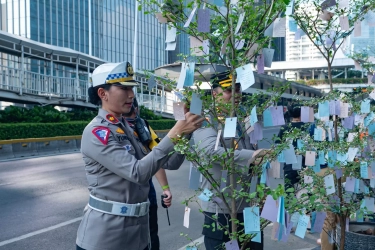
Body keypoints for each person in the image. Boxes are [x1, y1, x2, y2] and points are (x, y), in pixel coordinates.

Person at [76, 61, 205, 250]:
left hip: (138, 234)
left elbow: (171, 162)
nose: (131, 95)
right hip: (106, 238)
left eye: (131, 88)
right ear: (102, 94)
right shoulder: (97, 132)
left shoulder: (130, 127)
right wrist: (175, 134)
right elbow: (137, 173)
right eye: (123, 88)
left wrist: (186, 131)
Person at [192, 71, 266, 250]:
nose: (235, 95)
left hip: (248, 205)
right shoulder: (205, 121)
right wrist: (251, 157)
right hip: (222, 207)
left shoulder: (241, 120)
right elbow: (210, 151)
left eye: (238, 90)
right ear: (214, 93)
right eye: (228, 90)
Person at [123, 98, 170, 250]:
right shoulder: (108, 129)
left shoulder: (142, 125)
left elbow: (157, 157)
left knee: (150, 236)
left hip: (146, 192)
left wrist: (166, 188)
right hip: (122, 198)